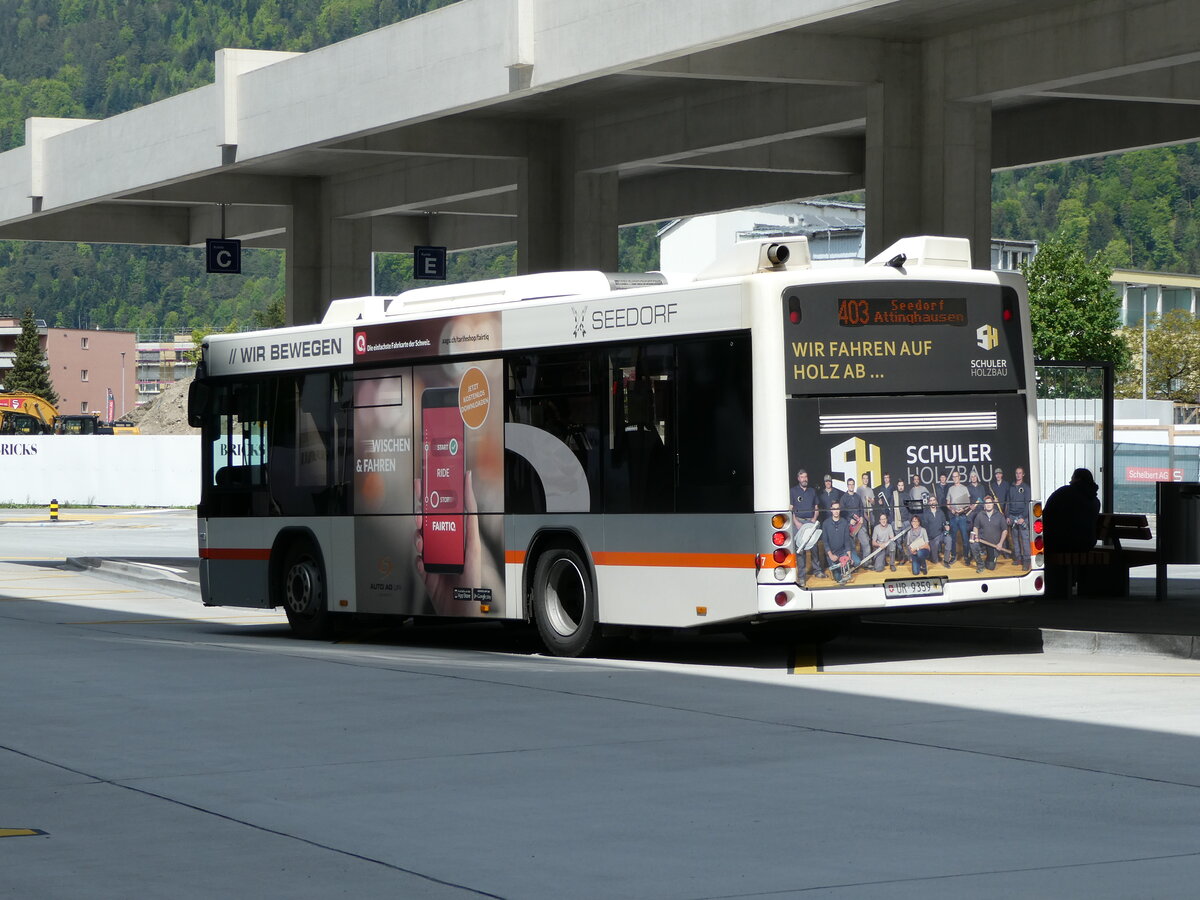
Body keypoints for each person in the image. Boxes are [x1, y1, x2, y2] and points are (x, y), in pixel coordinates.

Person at [1042, 467, 1101, 597]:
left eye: (1073, 476)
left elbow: (1046, 515)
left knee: (1043, 546)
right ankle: (1073, 580)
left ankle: (1053, 586)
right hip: (1086, 543)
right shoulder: (1095, 500)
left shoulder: (1063, 493)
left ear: (1077, 478)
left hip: (1061, 543)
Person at [789, 468, 822, 578]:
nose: (804, 479)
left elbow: (816, 507)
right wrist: (796, 522)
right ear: (798, 478)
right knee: (800, 549)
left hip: (810, 522)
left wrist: (814, 519)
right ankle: (802, 576)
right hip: (799, 523)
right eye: (802, 477)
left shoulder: (812, 491)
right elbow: (791, 509)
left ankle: (817, 571)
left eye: (806, 477)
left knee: (814, 548)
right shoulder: (793, 491)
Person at [970, 494, 1009, 572]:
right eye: (986, 503)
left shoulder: (1000, 515)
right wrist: (976, 537)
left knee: (991, 567)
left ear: (993, 504)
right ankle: (980, 565)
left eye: (990, 503)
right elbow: (975, 527)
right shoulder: (980, 514)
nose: (988, 505)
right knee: (973, 544)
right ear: (984, 505)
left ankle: (989, 558)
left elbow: (1005, 530)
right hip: (982, 541)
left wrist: (1000, 543)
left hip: (994, 544)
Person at [821, 500, 857, 582]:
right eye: (834, 509)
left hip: (843, 552)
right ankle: (838, 568)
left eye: (837, 508)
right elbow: (825, 543)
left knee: (857, 562)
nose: (836, 511)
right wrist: (831, 556)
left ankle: (845, 565)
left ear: (840, 510)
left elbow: (846, 540)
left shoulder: (844, 522)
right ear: (831, 510)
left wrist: (849, 555)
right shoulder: (826, 524)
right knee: (839, 578)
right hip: (833, 554)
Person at [1007, 465, 1033, 571]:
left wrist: (1023, 517)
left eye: (1020, 473)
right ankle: (1018, 558)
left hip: (1022, 517)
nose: (1018, 475)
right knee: (1015, 539)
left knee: (1025, 540)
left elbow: (1027, 504)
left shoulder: (1026, 487)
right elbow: (1008, 502)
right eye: (1016, 473)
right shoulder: (1011, 487)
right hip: (1012, 516)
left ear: (1023, 474)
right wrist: (1008, 516)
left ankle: (1027, 561)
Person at [946, 470, 972, 566]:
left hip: (962, 517)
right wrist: (951, 509)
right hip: (953, 517)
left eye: (956, 476)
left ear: (959, 477)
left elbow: (968, 504)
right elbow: (948, 503)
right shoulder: (950, 489)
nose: (955, 478)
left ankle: (966, 557)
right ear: (952, 478)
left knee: (965, 538)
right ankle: (953, 556)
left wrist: (962, 510)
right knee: (953, 538)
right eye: (953, 477)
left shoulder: (964, 488)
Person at [840, 476, 871, 560]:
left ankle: (866, 562)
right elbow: (842, 513)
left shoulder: (857, 496)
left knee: (866, 542)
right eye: (849, 484)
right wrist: (849, 520)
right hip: (849, 527)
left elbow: (861, 508)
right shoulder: (843, 498)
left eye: (852, 484)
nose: (851, 486)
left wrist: (861, 517)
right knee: (852, 546)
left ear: (854, 485)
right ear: (847, 486)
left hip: (859, 525)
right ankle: (854, 564)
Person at [922, 495, 953, 568]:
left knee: (949, 539)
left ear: (936, 502)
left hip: (941, 534)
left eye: (934, 500)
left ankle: (946, 561)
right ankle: (933, 556)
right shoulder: (926, 514)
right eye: (931, 501)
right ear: (929, 503)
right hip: (932, 537)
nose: (932, 502)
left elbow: (944, 523)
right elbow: (925, 528)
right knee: (935, 561)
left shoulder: (941, 512)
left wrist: (946, 527)